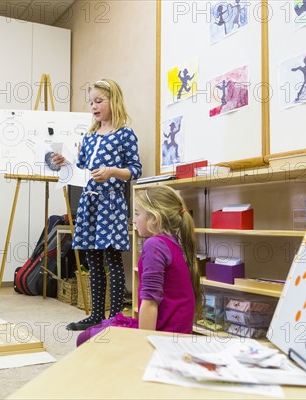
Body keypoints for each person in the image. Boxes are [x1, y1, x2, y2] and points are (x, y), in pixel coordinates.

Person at [52, 79, 142, 331]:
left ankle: (113, 317)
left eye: (99, 101)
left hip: (111, 204)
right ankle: (95, 315)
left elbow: (135, 169)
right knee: (92, 259)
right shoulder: (89, 136)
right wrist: (64, 162)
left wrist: (112, 171)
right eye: (91, 102)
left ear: (114, 101)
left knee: (111, 259)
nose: (94, 106)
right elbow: (80, 168)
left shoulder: (125, 134)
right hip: (89, 203)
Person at [76, 186, 204, 345]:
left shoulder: (154, 245)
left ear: (154, 219)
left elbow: (150, 304)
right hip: (174, 333)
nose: (134, 220)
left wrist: (142, 347)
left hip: (162, 336)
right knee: (101, 328)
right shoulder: (172, 242)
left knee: (84, 338)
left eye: (137, 214)